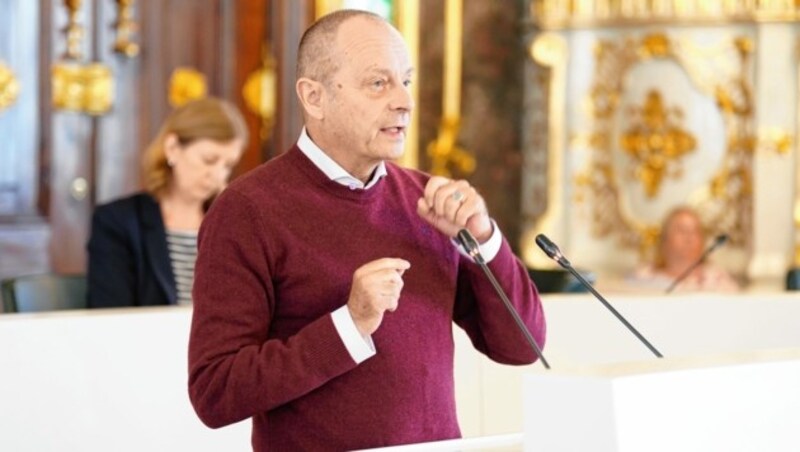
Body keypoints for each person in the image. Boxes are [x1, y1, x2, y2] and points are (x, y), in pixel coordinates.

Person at [187, 9, 546, 451]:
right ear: (314, 97)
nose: (404, 102)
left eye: (406, 81)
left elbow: (522, 346)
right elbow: (215, 393)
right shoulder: (247, 210)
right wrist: (350, 325)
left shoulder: (429, 200)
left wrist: (485, 240)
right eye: (378, 83)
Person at [86, 97, 248, 308]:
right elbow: (109, 316)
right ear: (172, 148)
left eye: (228, 165)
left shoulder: (234, 225)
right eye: (209, 160)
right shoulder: (117, 221)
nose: (218, 175)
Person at [628, 205, 740, 293]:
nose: (689, 237)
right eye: (682, 230)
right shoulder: (643, 276)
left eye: (695, 231)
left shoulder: (717, 279)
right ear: (665, 239)